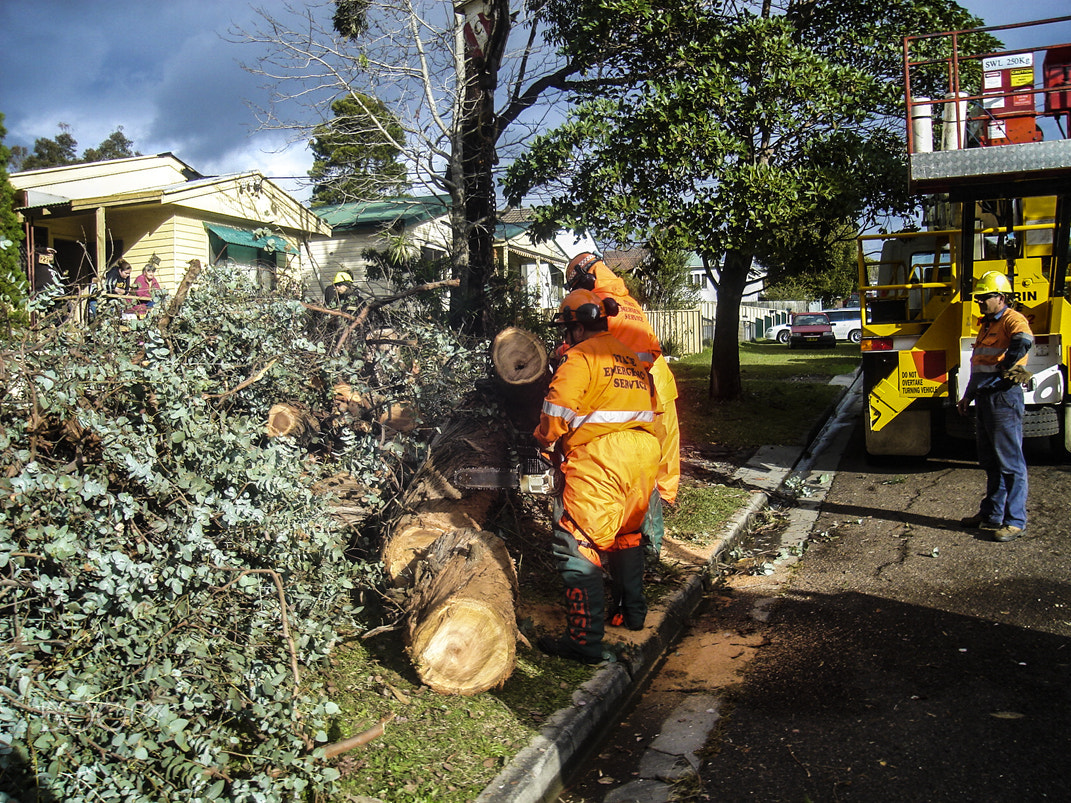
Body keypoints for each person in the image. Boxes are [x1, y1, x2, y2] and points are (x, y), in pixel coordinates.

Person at [534, 289, 661, 663]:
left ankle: (584, 642)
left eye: (567, 329)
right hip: (642, 455)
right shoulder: (626, 354)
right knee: (626, 536)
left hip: (602, 457)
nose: (564, 337)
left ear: (576, 325)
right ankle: (631, 614)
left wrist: (541, 442)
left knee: (578, 542)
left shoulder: (580, 358)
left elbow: (556, 412)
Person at [564, 253, 682, 564]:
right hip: (655, 386)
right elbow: (653, 348)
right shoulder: (627, 302)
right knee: (650, 466)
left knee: (630, 469)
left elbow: (592, 343)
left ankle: (631, 545)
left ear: (584, 280)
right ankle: (650, 543)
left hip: (628, 393)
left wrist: (562, 354)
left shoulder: (597, 304)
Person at [956, 270, 1033, 542]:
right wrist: (968, 395)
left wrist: (1007, 365)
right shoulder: (986, 324)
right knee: (990, 461)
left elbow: (1024, 341)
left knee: (1011, 463)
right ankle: (991, 514)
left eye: (985, 297)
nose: (980, 302)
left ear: (1001, 297)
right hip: (986, 397)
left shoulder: (1013, 319)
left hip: (1003, 397)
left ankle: (1015, 521)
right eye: (978, 298)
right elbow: (978, 365)